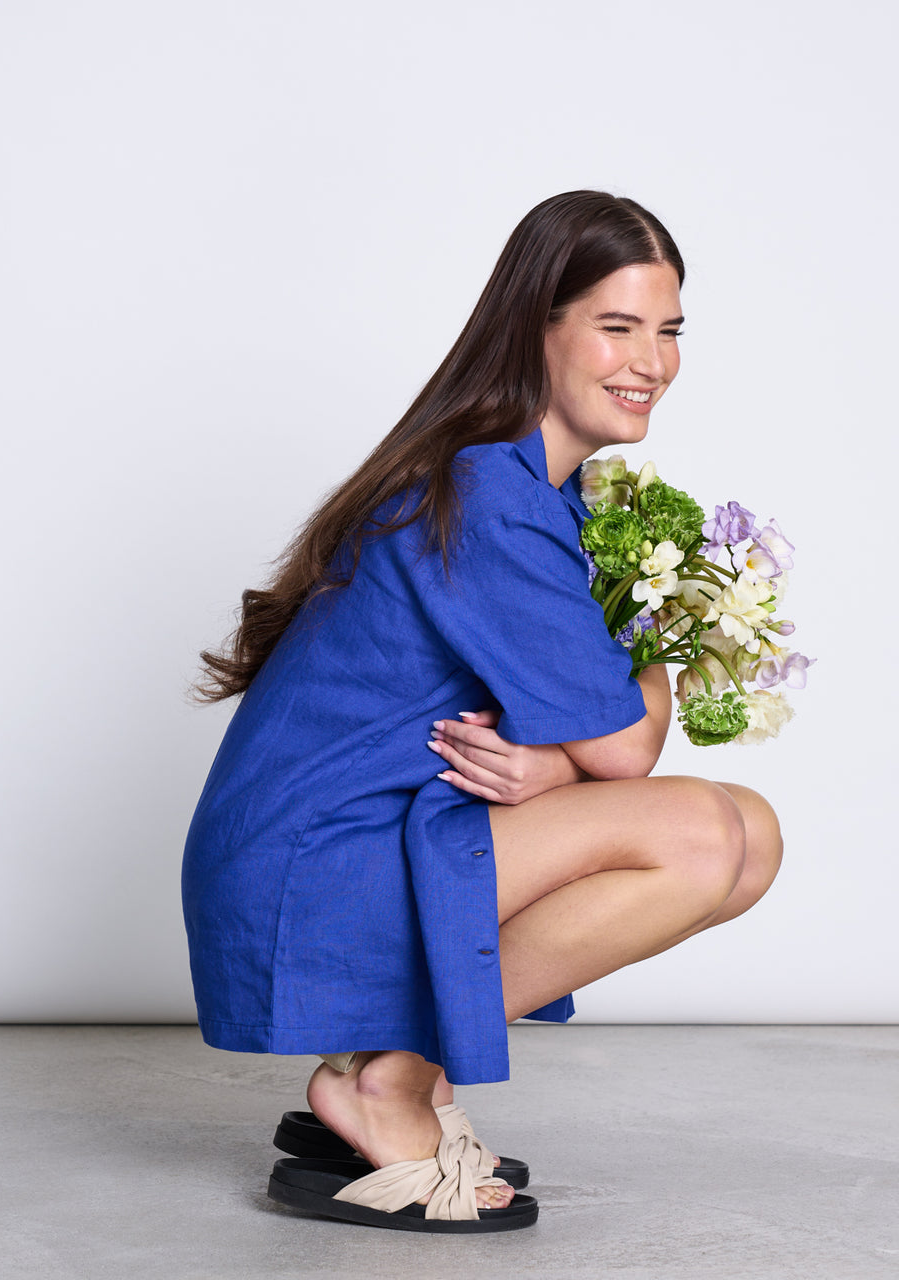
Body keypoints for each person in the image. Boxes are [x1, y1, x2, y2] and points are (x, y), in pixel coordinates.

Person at [182, 190, 783, 1233]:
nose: (652, 359)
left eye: (669, 329)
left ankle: (395, 1069)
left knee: (750, 837)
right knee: (697, 829)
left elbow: (589, 743)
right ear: (534, 330)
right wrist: (642, 685)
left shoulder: (547, 489)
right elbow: (628, 743)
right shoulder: (486, 488)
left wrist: (559, 763)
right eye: (616, 326)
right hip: (309, 867)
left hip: (378, 831)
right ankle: (390, 1079)